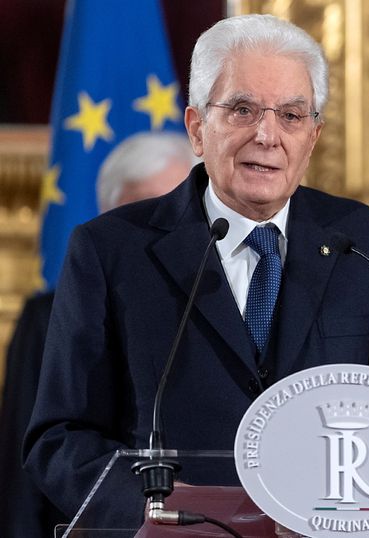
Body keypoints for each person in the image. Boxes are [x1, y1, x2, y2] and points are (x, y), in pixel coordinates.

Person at [22, 14, 369, 530]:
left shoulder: (368, 241)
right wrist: (161, 513)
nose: (267, 136)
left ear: (313, 136)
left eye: (291, 116)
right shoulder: (111, 250)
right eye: (243, 110)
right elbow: (60, 437)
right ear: (197, 128)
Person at [0, 131, 198, 538]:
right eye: (143, 212)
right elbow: (28, 467)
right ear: (108, 215)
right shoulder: (48, 316)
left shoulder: (230, 304)